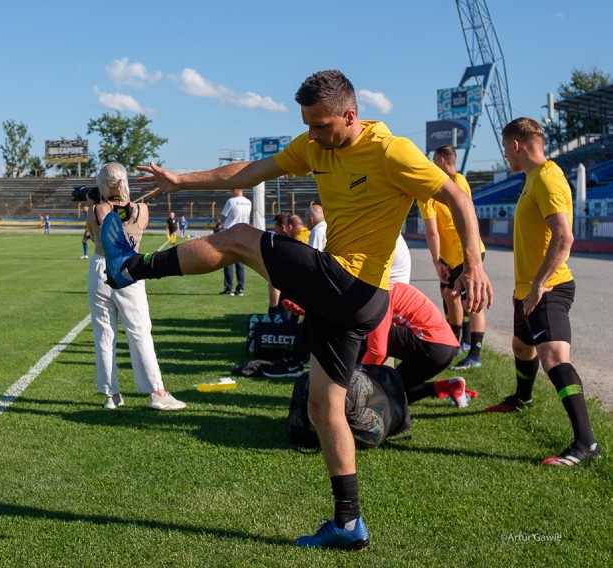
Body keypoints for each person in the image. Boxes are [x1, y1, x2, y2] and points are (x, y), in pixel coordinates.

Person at [103, 70, 492, 550]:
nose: (312, 135)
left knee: (240, 240)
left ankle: (132, 267)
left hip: (356, 286)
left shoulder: (392, 151)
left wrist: (473, 263)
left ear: (350, 116)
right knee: (323, 406)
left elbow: (456, 195)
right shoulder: (314, 146)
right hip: (343, 299)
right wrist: (179, 180)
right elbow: (248, 172)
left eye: (322, 125)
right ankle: (349, 524)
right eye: (307, 124)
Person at [487, 117, 600, 467]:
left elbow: (565, 237)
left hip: (548, 288)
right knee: (521, 345)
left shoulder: (548, 178)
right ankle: (522, 398)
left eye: (506, 148)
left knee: (553, 358)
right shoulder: (531, 178)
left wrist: (538, 285)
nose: (506, 155)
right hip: (527, 290)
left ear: (517, 145)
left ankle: (586, 443)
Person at [86, 163, 186, 411]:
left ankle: (112, 395)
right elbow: (132, 224)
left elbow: (98, 226)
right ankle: (156, 392)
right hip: (128, 266)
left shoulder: (94, 210)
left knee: (104, 335)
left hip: (99, 267)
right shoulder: (141, 209)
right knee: (139, 331)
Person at [421, 144, 487, 369]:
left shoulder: (441, 187)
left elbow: (432, 232)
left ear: (440, 161)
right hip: (453, 255)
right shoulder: (457, 182)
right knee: (450, 296)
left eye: (431, 161)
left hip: (466, 253)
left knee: (470, 301)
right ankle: (458, 342)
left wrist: (436, 260)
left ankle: (473, 353)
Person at [359, 282, 466, 406]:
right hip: (443, 348)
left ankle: (353, 379)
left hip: (433, 344)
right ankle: (448, 386)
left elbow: (378, 351)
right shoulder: (379, 288)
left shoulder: (377, 296)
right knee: (391, 395)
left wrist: (360, 380)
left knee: (365, 332)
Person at [219, 188, 251, 297]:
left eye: (232, 189)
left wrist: (219, 221)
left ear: (237, 189)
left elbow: (223, 216)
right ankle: (240, 288)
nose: (231, 191)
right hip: (243, 233)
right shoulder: (248, 202)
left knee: (228, 261)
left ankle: (229, 288)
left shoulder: (231, 201)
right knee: (240, 262)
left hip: (230, 232)